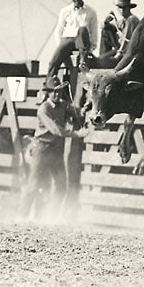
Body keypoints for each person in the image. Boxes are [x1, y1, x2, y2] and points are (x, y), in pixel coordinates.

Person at [19, 76, 88, 217]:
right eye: (53, 91)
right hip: (42, 149)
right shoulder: (43, 109)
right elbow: (56, 130)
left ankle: (51, 215)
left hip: (56, 150)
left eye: (59, 91)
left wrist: (85, 109)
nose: (57, 94)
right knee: (33, 184)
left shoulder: (63, 105)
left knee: (61, 185)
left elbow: (77, 112)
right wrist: (77, 134)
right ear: (48, 93)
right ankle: (22, 216)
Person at [46, 0, 98, 78]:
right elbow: (59, 29)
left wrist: (91, 48)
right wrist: (60, 46)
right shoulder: (65, 11)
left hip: (82, 40)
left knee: (82, 29)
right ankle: (49, 80)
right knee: (54, 60)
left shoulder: (91, 12)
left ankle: (83, 61)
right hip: (68, 39)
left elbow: (94, 31)